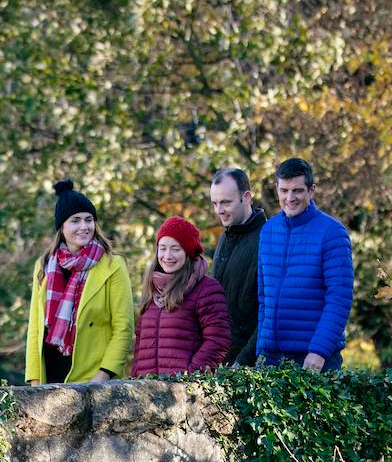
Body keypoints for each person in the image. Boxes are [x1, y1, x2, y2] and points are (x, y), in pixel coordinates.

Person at [24, 179, 133, 383]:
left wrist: (102, 376)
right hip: (50, 379)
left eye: (88, 219)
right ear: (62, 226)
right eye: (75, 220)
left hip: (93, 379)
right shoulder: (44, 265)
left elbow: (123, 327)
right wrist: (34, 381)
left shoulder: (112, 265)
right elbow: (35, 328)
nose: (84, 227)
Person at [255, 157, 353, 372]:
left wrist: (319, 351)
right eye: (284, 190)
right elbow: (264, 298)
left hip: (314, 358)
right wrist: (261, 350)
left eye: (297, 191)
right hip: (271, 358)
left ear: (311, 191)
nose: (290, 198)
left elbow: (339, 298)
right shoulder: (268, 231)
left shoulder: (332, 233)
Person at [131, 216, 231, 377]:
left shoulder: (206, 289)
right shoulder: (151, 288)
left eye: (175, 249)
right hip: (146, 394)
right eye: (162, 248)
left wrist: (188, 378)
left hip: (183, 395)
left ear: (188, 252)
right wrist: (136, 378)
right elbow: (140, 346)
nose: (167, 256)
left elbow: (218, 341)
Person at [208, 167, 266, 367]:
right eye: (215, 203)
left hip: (250, 366)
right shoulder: (225, 237)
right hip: (220, 363)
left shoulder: (266, 240)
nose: (219, 210)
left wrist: (243, 360)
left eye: (226, 202)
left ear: (247, 197)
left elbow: (270, 311)